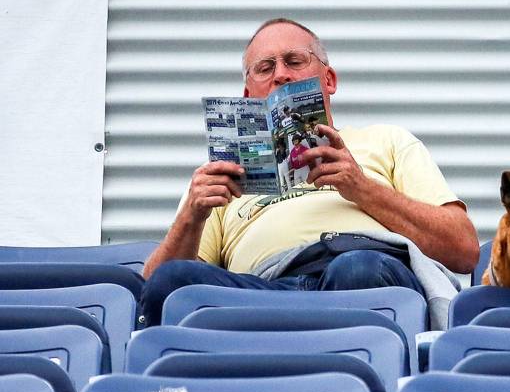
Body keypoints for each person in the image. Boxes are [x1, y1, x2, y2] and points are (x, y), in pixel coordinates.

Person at [140, 17, 479, 326]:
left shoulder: (388, 140)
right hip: (263, 293)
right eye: (264, 68)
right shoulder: (221, 174)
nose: (280, 74)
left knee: (357, 268)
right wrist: (191, 216)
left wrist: (361, 187)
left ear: (328, 80)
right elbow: (154, 290)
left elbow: (463, 249)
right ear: (248, 94)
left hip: (360, 273)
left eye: (294, 61)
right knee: (171, 281)